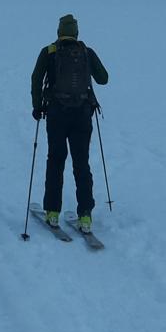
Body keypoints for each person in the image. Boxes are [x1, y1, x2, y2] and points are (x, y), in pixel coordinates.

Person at [30, 14, 108, 234]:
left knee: (56, 160)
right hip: (82, 115)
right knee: (81, 164)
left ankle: (52, 213)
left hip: (56, 114)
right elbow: (103, 78)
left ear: (58, 32)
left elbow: (36, 78)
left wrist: (37, 106)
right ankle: (85, 216)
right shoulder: (86, 52)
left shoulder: (49, 52)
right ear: (76, 33)